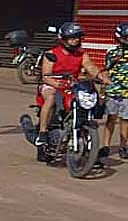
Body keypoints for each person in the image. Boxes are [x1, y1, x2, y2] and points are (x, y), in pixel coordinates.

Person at [36, 22, 108, 149]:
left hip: (72, 85)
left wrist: (101, 76)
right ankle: (42, 133)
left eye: (78, 37)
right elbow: (46, 76)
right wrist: (55, 82)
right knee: (51, 97)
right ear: (63, 39)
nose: (76, 40)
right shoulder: (51, 54)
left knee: (91, 96)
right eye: (72, 37)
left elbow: (90, 67)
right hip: (52, 85)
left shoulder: (82, 54)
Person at [103, 22, 128, 160]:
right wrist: (104, 88)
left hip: (127, 93)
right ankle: (106, 146)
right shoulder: (112, 52)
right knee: (110, 119)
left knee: (126, 120)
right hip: (112, 91)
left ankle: (123, 146)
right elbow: (106, 70)